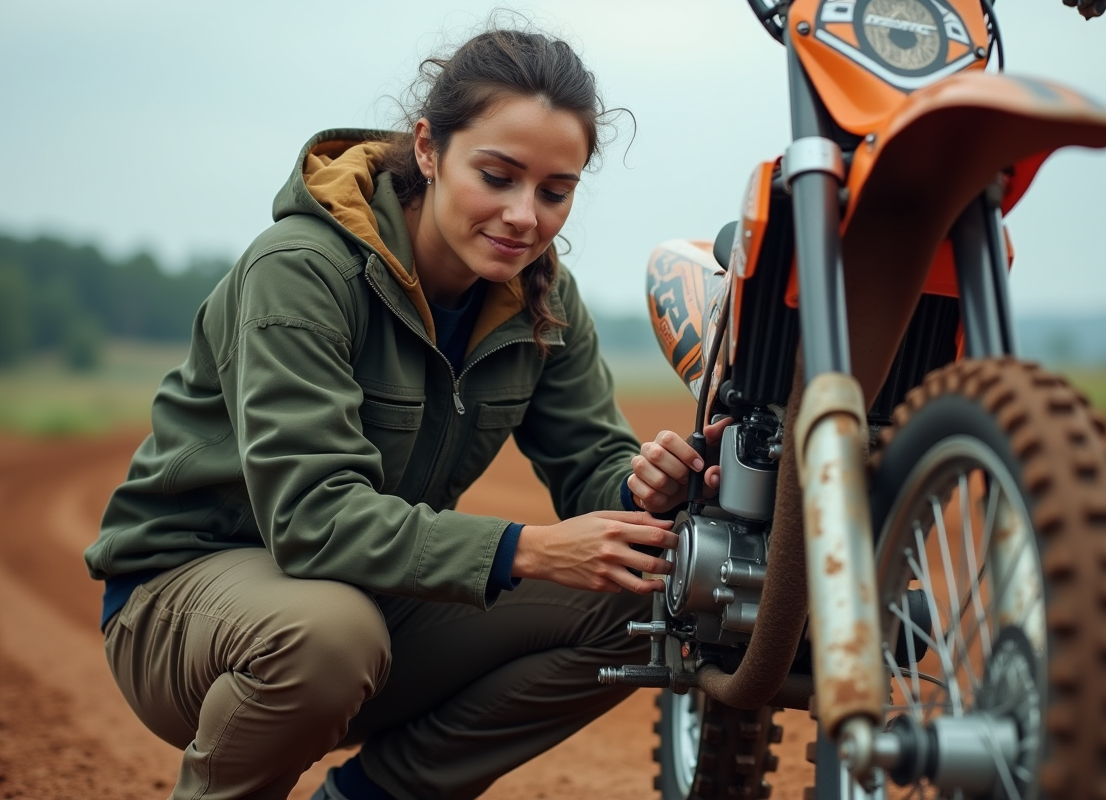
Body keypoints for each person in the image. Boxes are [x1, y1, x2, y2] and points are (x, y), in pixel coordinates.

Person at [84, 24, 721, 800]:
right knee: (326, 638)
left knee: (654, 594)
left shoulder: (543, 301)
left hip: (365, 592)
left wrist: (640, 489)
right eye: (498, 176)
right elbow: (312, 516)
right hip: (184, 602)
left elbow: (592, 467)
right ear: (428, 148)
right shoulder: (301, 271)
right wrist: (527, 549)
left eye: (555, 192)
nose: (525, 216)